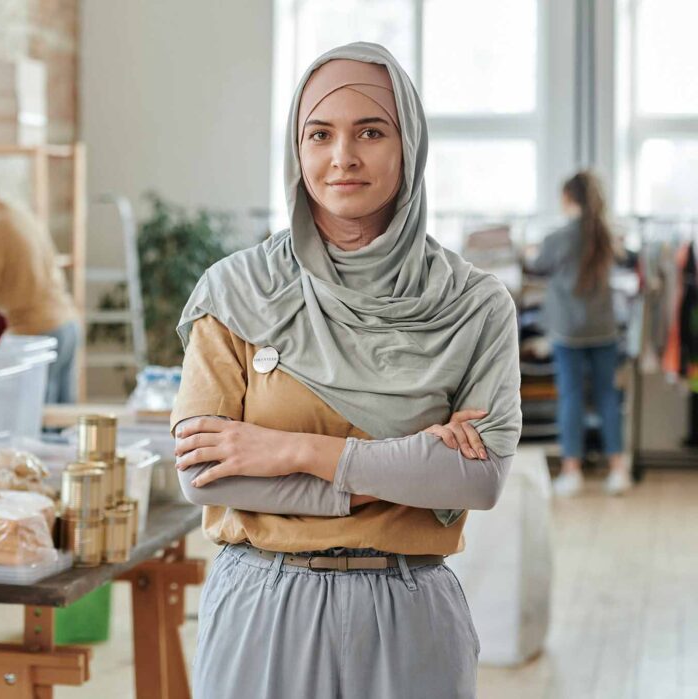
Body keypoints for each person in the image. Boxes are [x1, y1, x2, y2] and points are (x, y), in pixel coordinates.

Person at [171, 43, 522, 698]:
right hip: (262, 601)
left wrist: (290, 450)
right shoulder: (238, 292)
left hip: (409, 606)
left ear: (408, 143)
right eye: (320, 133)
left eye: (371, 131)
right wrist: (405, 473)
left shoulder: (473, 305)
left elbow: (476, 476)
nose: (343, 157)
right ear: (296, 149)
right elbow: (203, 475)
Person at [528, 171, 629, 496]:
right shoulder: (607, 233)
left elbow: (538, 264)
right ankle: (618, 470)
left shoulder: (559, 236)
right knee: (606, 397)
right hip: (604, 327)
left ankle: (572, 471)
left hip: (568, 329)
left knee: (570, 397)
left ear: (568, 197)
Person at [0, 157, 81, 403]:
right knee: (64, 426)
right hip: (66, 324)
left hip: (36, 332)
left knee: (36, 424)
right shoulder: (17, 213)